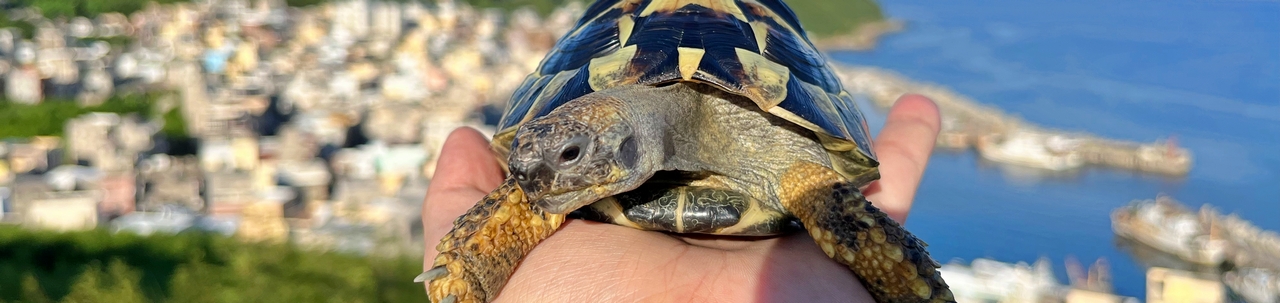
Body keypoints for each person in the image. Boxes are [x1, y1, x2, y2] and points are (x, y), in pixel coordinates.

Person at [422, 94, 943, 302]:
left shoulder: (794, 166)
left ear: (624, 140)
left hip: (766, 156)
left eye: (574, 154)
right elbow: (536, 183)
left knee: (832, 205)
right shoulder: (554, 177)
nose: (535, 179)